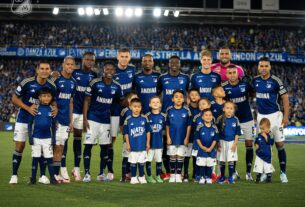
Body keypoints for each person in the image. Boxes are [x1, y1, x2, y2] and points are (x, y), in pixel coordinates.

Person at [9, 60, 57, 184]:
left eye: (47, 69)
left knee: (41, 149)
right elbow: (14, 98)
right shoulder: (27, 82)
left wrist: (55, 107)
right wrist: (28, 108)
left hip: (41, 121)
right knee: (20, 146)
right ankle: (14, 175)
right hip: (24, 119)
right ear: (37, 70)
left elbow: (53, 101)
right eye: (42, 68)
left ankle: (42, 176)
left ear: (49, 71)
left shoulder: (51, 85)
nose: (44, 71)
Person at [82, 61, 122, 183]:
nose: (109, 72)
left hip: (106, 121)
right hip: (93, 119)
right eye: (107, 69)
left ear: (115, 72)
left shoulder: (117, 86)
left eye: (112, 70)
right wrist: (85, 118)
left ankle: (101, 173)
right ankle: (87, 173)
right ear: (103, 70)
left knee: (104, 147)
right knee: (88, 145)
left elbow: (120, 102)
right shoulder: (94, 83)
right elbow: (86, 101)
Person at [252, 57, 289, 183]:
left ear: (270, 67)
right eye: (261, 66)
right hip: (261, 117)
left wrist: (286, 116)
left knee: (279, 144)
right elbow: (252, 93)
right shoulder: (255, 81)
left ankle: (283, 173)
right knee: (261, 145)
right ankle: (263, 173)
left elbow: (285, 98)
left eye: (266, 66)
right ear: (258, 67)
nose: (263, 68)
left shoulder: (276, 81)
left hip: (275, 116)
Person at [158, 55, 190, 180]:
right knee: (166, 145)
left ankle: (179, 172)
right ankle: (168, 172)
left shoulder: (185, 78)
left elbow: (188, 93)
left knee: (180, 145)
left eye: (177, 62)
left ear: (180, 64)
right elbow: (158, 93)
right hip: (167, 116)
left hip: (180, 117)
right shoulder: (162, 78)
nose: (174, 64)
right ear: (169, 64)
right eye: (172, 62)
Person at [222, 65, 255, 181]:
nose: (232, 75)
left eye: (234, 72)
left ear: (238, 74)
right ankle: (233, 171)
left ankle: (248, 172)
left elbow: (253, 93)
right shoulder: (224, 87)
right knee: (232, 145)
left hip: (247, 118)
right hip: (232, 119)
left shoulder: (245, 84)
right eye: (229, 73)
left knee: (249, 145)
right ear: (226, 75)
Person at [110, 48, 136, 178]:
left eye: (126, 56)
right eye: (122, 56)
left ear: (129, 57)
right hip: (114, 110)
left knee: (130, 139)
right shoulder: (112, 71)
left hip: (128, 112)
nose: (124, 58)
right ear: (118, 57)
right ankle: (109, 170)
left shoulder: (132, 70)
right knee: (112, 140)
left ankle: (129, 171)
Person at [71, 52, 97, 181]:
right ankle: (62, 168)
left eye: (91, 60)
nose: (89, 62)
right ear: (82, 60)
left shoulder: (94, 75)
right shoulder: (74, 73)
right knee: (65, 140)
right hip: (72, 110)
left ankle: (76, 168)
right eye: (87, 59)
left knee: (80, 139)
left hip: (85, 113)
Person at [52, 56, 76, 183]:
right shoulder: (56, 80)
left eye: (72, 64)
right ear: (63, 65)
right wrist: (53, 118)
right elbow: (51, 99)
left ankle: (57, 174)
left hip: (66, 120)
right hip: (56, 119)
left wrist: (71, 121)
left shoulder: (73, 82)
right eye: (68, 64)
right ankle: (53, 174)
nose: (70, 67)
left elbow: (71, 102)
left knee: (61, 148)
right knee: (55, 147)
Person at [28, 88, 57, 185]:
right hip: (36, 138)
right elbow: (30, 123)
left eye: (48, 96)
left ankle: (53, 178)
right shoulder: (35, 108)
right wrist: (30, 137)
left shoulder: (52, 109)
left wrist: (54, 138)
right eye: (44, 96)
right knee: (35, 158)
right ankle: (32, 178)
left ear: (51, 97)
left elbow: (53, 126)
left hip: (47, 138)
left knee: (49, 158)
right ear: (39, 97)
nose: (46, 98)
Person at [123, 98, 151, 184]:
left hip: (142, 146)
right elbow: (126, 133)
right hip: (132, 146)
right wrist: (127, 144)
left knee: (142, 162)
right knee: (133, 162)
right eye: (135, 106)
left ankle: (142, 176)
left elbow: (148, 131)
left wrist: (148, 143)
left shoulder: (144, 118)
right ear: (130, 107)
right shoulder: (128, 119)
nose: (137, 108)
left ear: (141, 107)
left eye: (139, 107)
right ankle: (134, 177)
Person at [166, 90, 192, 183]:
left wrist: (187, 138)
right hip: (172, 138)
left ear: (183, 99)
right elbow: (167, 125)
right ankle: (172, 175)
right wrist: (168, 137)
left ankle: (178, 175)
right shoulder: (169, 110)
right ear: (172, 99)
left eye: (181, 97)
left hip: (182, 138)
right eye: (176, 97)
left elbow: (189, 125)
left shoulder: (187, 110)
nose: (178, 99)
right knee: (172, 156)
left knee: (180, 156)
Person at [216, 101, 241, 184]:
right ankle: (222, 176)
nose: (229, 110)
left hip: (232, 143)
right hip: (222, 142)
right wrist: (218, 143)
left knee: (231, 160)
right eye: (227, 108)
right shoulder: (220, 119)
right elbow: (217, 132)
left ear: (234, 110)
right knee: (222, 160)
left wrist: (235, 143)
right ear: (223, 109)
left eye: (231, 108)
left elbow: (237, 133)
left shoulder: (236, 119)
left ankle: (230, 177)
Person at [145, 96, 166, 183]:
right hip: (150, 144)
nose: (155, 104)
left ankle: (158, 176)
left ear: (160, 104)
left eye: (157, 102)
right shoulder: (147, 116)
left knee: (158, 160)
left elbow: (165, 129)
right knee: (148, 159)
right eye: (153, 102)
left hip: (159, 143)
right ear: (150, 104)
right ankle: (149, 176)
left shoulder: (163, 116)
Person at [196, 109, 219, 184]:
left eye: (210, 115)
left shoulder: (214, 127)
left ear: (212, 117)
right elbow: (197, 138)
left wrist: (211, 148)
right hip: (202, 150)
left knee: (209, 165)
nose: (208, 117)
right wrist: (202, 147)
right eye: (206, 115)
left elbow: (215, 139)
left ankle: (208, 177)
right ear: (202, 117)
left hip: (211, 151)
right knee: (202, 164)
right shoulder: (199, 127)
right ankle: (202, 177)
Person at [119, 91, 138, 182]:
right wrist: (124, 134)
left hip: (137, 138)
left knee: (134, 157)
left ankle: (131, 174)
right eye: (134, 98)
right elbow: (121, 124)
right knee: (126, 157)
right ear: (129, 100)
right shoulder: (125, 111)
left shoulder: (139, 110)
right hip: (127, 139)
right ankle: (123, 176)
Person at [192, 98, 212, 182]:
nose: (201, 106)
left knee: (208, 160)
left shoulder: (211, 117)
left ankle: (207, 176)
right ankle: (197, 175)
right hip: (198, 144)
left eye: (203, 104)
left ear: (209, 105)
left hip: (208, 144)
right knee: (198, 160)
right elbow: (194, 130)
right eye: (199, 104)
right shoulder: (196, 117)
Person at [184, 88, 201, 182]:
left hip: (197, 138)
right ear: (188, 97)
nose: (194, 96)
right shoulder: (186, 109)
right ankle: (185, 174)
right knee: (187, 156)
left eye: (196, 94)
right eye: (192, 94)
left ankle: (195, 174)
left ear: (199, 96)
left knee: (195, 156)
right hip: (188, 137)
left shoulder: (201, 109)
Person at [253, 118, 275, 183]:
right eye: (261, 129)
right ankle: (258, 178)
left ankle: (269, 178)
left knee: (268, 166)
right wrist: (256, 145)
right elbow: (256, 141)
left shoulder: (270, 135)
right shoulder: (259, 135)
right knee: (258, 166)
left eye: (263, 129)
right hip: (259, 154)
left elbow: (271, 143)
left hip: (267, 154)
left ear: (268, 128)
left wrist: (266, 137)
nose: (262, 130)